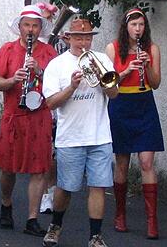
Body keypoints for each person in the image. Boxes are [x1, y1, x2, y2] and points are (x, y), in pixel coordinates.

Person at [41, 18, 119, 247]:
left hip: (100, 135)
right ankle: (55, 225)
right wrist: (72, 86)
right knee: (66, 187)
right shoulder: (57, 65)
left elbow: (114, 94)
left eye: (87, 37)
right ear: (68, 38)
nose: (83, 42)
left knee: (99, 186)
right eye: (78, 37)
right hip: (71, 136)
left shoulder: (102, 59)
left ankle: (95, 236)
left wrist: (105, 82)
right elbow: (51, 103)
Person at [0, 5, 58, 237]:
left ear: (40, 28)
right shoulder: (7, 50)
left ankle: (32, 218)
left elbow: (55, 86)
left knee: (39, 169)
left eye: (35, 25)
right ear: (19, 27)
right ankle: (6, 203)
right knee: (8, 168)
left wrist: (39, 71)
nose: (30, 30)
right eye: (26, 25)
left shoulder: (49, 52)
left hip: (39, 115)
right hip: (14, 115)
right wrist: (13, 79)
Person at [105, 7, 164, 239]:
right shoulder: (113, 49)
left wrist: (147, 65)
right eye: (133, 25)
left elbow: (156, 83)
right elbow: (108, 83)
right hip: (120, 105)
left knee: (147, 162)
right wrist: (127, 69)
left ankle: (152, 221)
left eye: (141, 25)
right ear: (125, 27)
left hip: (144, 104)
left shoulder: (152, 49)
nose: (138, 29)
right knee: (121, 163)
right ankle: (120, 214)